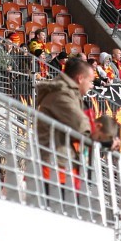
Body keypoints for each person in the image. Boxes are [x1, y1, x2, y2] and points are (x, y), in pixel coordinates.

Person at [36, 57, 95, 191]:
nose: (91, 86)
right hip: (54, 167)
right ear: (80, 79)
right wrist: (102, 138)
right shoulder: (60, 94)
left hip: (61, 165)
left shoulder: (68, 93)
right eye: (90, 81)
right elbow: (81, 125)